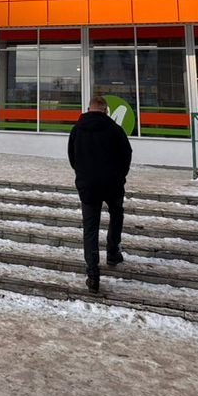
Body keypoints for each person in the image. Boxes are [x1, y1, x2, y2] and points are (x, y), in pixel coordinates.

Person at [67, 95, 132, 293]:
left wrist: (83, 175)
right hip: (113, 184)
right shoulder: (115, 130)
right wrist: (120, 176)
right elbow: (127, 154)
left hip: (88, 186)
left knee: (90, 228)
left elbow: (72, 157)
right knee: (117, 214)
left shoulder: (77, 129)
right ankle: (112, 252)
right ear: (105, 110)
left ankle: (93, 274)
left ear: (89, 109)